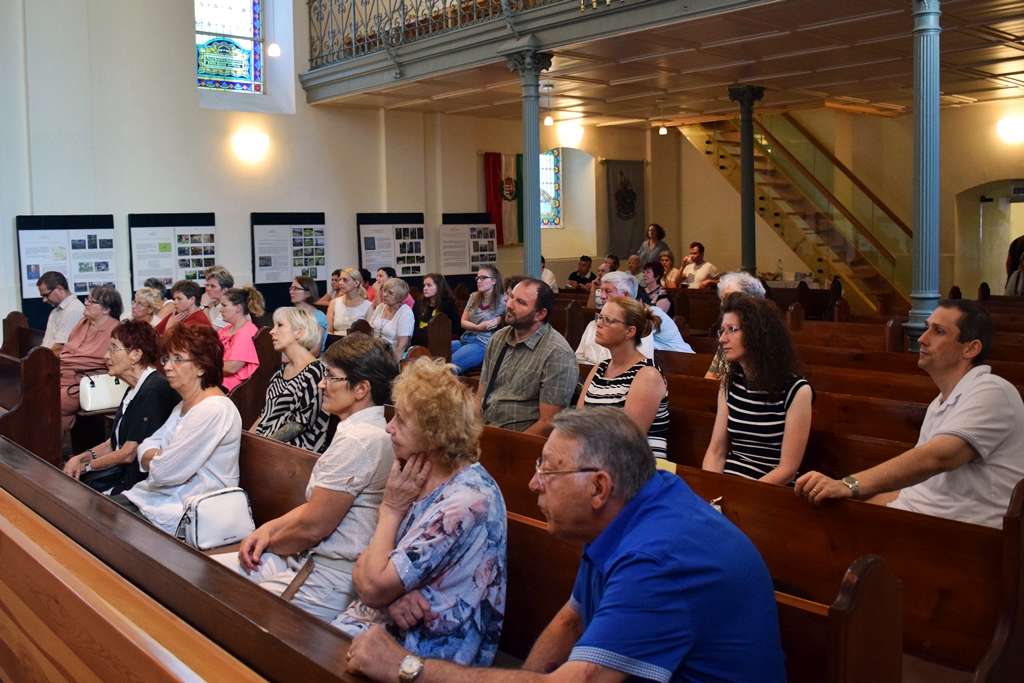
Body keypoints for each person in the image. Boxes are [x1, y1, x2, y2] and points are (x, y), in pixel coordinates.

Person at [345, 408, 786, 683]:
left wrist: (407, 667)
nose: (534, 483)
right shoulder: (640, 501)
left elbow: (581, 680)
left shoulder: (658, 557)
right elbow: (571, 621)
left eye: (549, 471)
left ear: (599, 487)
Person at [334, 357, 507, 668]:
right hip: (378, 633)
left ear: (434, 434)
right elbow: (365, 569)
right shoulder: (416, 475)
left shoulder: (466, 500)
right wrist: (392, 593)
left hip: (422, 658)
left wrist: (390, 509)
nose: (389, 427)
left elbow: (372, 585)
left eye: (400, 419)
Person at [215, 334, 400, 620]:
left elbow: (314, 527)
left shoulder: (359, 439)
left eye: (331, 377)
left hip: (329, 575)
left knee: (232, 609)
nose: (322, 384)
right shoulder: (370, 428)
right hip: (311, 559)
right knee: (216, 577)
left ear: (361, 388)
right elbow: (319, 506)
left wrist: (272, 541)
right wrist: (268, 529)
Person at [796, 300, 1024, 529]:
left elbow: (939, 458)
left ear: (971, 348)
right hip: (919, 520)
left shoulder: (993, 391)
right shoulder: (941, 401)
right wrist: (859, 516)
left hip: (962, 536)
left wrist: (848, 485)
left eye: (939, 331)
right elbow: (915, 491)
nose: (923, 338)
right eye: (927, 328)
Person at [114, 325, 243, 534]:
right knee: (90, 512)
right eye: (167, 359)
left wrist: (159, 460)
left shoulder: (214, 408)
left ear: (202, 366)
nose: (167, 367)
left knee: (101, 525)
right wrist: (160, 456)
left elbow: (164, 473)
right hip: (158, 498)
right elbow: (145, 447)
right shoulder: (183, 405)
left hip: (190, 511)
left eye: (178, 359)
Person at [702, 294, 814, 485]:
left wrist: (744, 496)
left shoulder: (796, 391)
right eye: (722, 331)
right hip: (729, 485)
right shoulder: (730, 384)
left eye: (732, 330)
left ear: (757, 334)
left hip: (769, 492)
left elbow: (787, 469)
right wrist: (714, 488)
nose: (722, 339)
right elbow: (716, 451)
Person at [62, 320, 180, 494]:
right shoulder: (134, 389)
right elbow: (114, 443)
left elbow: (128, 453)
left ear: (135, 355)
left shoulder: (154, 389)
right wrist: (80, 457)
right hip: (121, 475)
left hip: (140, 484)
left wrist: (86, 467)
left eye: (113, 348)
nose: (106, 356)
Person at [477, 278, 576, 435]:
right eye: (511, 297)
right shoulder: (498, 339)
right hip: (488, 433)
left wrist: (507, 446)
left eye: (521, 302)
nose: (509, 305)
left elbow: (548, 423)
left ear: (540, 314)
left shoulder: (557, 353)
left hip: (521, 444)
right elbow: (481, 397)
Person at [579, 297, 670, 458]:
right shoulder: (599, 369)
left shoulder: (647, 375)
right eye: (599, 317)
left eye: (607, 320)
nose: (598, 324)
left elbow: (627, 439)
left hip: (635, 468)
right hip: (597, 458)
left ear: (629, 331)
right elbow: (576, 422)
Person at [252, 307, 330, 453]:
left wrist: (261, 446)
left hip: (293, 452)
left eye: (280, 325)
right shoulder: (280, 372)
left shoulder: (315, 371)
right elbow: (264, 415)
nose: (272, 331)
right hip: (265, 445)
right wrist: (248, 441)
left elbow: (300, 424)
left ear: (299, 333)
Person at [576, 271, 691, 363]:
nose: (601, 296)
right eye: (601, 290)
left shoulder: (645, 318)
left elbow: (639, 364)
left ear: (626, 295)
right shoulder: (596, 324)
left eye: (608, 291)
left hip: (681, 363)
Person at [59, 286, 123, 430]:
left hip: (85, 384)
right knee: (30, 392)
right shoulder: (82, 323)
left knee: (52, 399)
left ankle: (48, 448)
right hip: (60, 377)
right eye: (87, 299)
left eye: (91, 301)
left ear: (106, 309)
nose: (86, 303)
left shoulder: (116, 330)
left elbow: (116, 366)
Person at [704, 271, 767, 380]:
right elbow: (710, 379)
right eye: (722, 299)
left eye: (729, 298)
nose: (722, 304)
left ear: (751, 300)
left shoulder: (764, 337)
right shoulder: (726, 337)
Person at [451, 265, 505, 375]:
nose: (479, 281)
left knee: (449, 366)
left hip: (482, 343)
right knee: (433, 355)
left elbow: (510, 317)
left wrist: (499, 319)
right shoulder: (474, 296)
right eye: (478, 278)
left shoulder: (503, 300)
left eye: (483, 278)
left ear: (494, 281)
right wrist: (478, 327)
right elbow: (463, 322)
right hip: (466, 339)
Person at [218, 286, 265, 393]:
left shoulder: (247, 332)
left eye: (224, 305)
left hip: (231, 388)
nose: (221, 309)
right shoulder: (224, 330)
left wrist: (206, 365)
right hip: (215, 380)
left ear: (238, 308)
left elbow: (231, 368)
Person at [37, 271, 85, 354]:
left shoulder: (72, 311)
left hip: (58, 364)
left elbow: (60, 348)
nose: (44, 300)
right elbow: (46, 343)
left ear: (59, 289)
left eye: (46, 295)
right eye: (42, 296)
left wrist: (41, 362)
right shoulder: (55, 311)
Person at [369, 278, 415, 360]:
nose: (384, 295)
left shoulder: (405, 312)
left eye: (390, 293)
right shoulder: (380, 307)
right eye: (384, 290)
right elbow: (370, 331)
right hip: (374, 353)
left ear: (399, 297)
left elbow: (402, 345)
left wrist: (392, 364)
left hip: (392, 355)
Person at [413, 273, 461, 348]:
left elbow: (454, 331)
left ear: (439, 286)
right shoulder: (419, 303)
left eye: (429, 285)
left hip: (441, 342)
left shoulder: (449, 305)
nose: (425, 288)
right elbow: (414, 324)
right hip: (420, 341)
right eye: (424, 285)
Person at [327, 267, 373, 335]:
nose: (340, 283)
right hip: (335, 342)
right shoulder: (334, 303)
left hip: (357, 343)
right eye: (340, 279)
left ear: (356, 283)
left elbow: (367, 334)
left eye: (345, 280)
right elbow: (328, 330)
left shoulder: (368, 306)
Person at [291, 275, 329, 354]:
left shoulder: (318, 316)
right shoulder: (290, 314)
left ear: (308, 294)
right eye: (291, 288)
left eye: (296, 289)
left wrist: (289, 359)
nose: (291, 292)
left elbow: (315, 351)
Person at [202, 265, 234, 330]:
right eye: (208, 285)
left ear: (225, 290)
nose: (207, 288)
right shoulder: (211, 303)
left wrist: (204, 306)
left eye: (213, 286)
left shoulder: (230, 307)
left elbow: (209, 333)